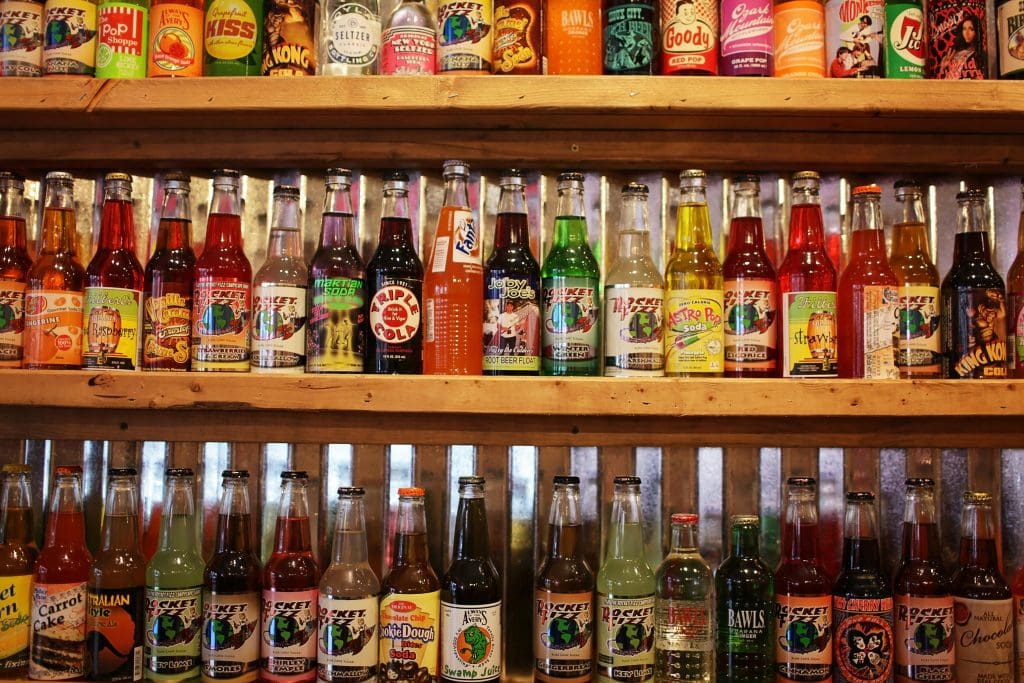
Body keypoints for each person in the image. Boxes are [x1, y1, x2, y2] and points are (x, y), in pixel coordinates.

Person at [937, 12, 987, 79]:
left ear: (977, 32)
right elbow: (941, 79)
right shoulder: (953, 52)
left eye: (971, 29)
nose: (966, 33)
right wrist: (943, 68)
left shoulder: (980, 55)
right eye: (964, 29)